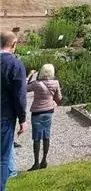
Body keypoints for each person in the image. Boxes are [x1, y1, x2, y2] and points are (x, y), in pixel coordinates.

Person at [0, 31, 28, 191]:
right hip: (4, 117)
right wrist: (22, 119)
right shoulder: (15, 64)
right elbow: (19, 95)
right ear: (14, 44)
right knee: (3, 158)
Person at [27, 63, 62, 170]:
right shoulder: (55, 83)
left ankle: (36, 162)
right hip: (49, 111)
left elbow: (25, 88)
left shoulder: (36, 84)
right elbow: (59, 98)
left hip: (37, 112)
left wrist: (30, 76)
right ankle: (44, 160)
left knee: (37, 138)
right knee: (46, 136)